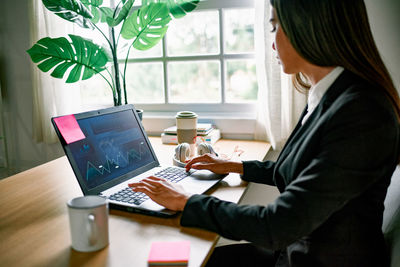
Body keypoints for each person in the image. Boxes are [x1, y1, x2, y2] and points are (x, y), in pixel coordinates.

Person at [129, 0, 400, 266]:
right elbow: (304, 170)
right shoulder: (328, 95)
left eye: (275, 26)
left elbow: (277, 224)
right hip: (294, 251)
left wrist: (187, 201)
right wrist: (234, 165)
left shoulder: (362, 112)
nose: (272, 43)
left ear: (306, 26)